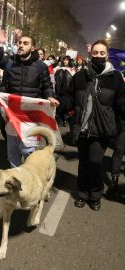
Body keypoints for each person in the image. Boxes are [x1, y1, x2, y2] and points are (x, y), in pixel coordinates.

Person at [56, 40, 125, 211]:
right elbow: (69, 99)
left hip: (101, 130)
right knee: (83, 163)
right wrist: (57, 103)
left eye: (102, 53)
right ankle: (82, 193)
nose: (99, 56)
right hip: (82, 128)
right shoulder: (80, 76)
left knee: (95, 162)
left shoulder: (115, 77)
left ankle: (95, 194)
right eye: (96, 53)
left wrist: (117, 128)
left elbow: (121, 104)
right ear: (90, 54)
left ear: (107, 55)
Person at [0, 30, 58, 168]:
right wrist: (0, 44)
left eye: (25, 43)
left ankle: (30, 180)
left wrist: (51, 97)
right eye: (19, 43)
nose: (21, 45)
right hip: (13, 115)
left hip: (30, 117)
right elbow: (4, 82)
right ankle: (15, 182)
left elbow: (47, 87)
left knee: (28, 151)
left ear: (32, 48)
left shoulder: (40, 66)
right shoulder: (11, 64)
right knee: (12, 153)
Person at [54, 55, 75, 126]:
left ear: (69, 61)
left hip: (67, 90)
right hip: (59, 90)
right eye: (64, 60)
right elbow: (55, 79)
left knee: (66, 105)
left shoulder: (72, 70)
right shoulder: (59, 69)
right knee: (59, 104)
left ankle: (65, 119)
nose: (65, 61)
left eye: (67, 60)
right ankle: (59, 119)